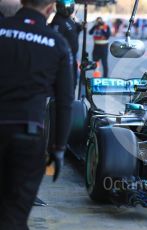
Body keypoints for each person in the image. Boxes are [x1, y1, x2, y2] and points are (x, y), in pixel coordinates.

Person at [0, 0, 74, 228]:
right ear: (51, 8)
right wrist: (59, 148)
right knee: (13, 216)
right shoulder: (58, 43)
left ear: (22, 1)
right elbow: (65, 102)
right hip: (28, 135)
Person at [50, 0, 82, 90]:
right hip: (64, 61)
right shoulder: (58, 21)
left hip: (71, 58)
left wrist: (79, 27)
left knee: (72, 84)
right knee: (65, 87)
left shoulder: (67, 19)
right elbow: (56, 41)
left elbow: (72, 31)